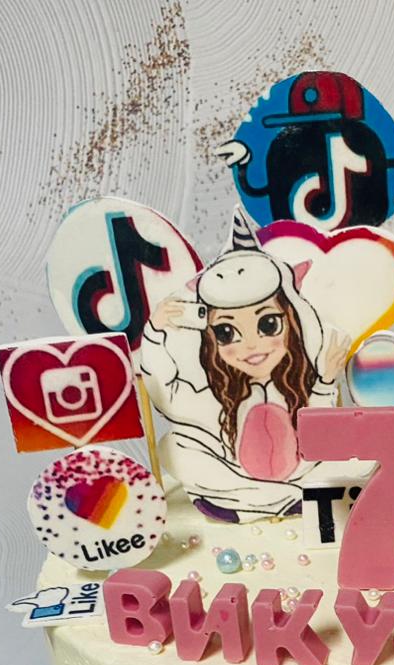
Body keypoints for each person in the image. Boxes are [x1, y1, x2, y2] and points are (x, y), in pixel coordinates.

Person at [140, 210, 349, 522]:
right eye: (226, 332)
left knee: (351, 452)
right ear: (210, 339)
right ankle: (265, 500)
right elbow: (163, 389)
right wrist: (156, 333)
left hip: (305, 473)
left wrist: (326, 380)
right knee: (177, 449)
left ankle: (284, 497)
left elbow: (319, 430)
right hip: (233, 481)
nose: (251, 345)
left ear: (292, 323)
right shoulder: (214, 392)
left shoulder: (300, 382)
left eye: (268, 324)